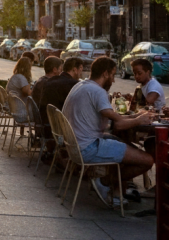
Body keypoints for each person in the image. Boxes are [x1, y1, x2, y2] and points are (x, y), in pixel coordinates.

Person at [62, 57, 154, 207]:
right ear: (105, 74)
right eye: (112, 75)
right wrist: (139, 120)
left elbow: (115, 119)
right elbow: (119, 125)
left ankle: (117, 191)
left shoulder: (81, 85)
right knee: (147, 160)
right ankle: (105, 182)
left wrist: (137, 116)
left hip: (75, 145)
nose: (114, 80)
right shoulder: (98, 92)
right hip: (88, 148)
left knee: (125, 145)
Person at [40, 57, 85, 125]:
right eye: (81, 69)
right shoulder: (73, 85)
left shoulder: (51, 80)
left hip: (45, 123)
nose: (81, 73)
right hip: (60, 127)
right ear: (75, 70)